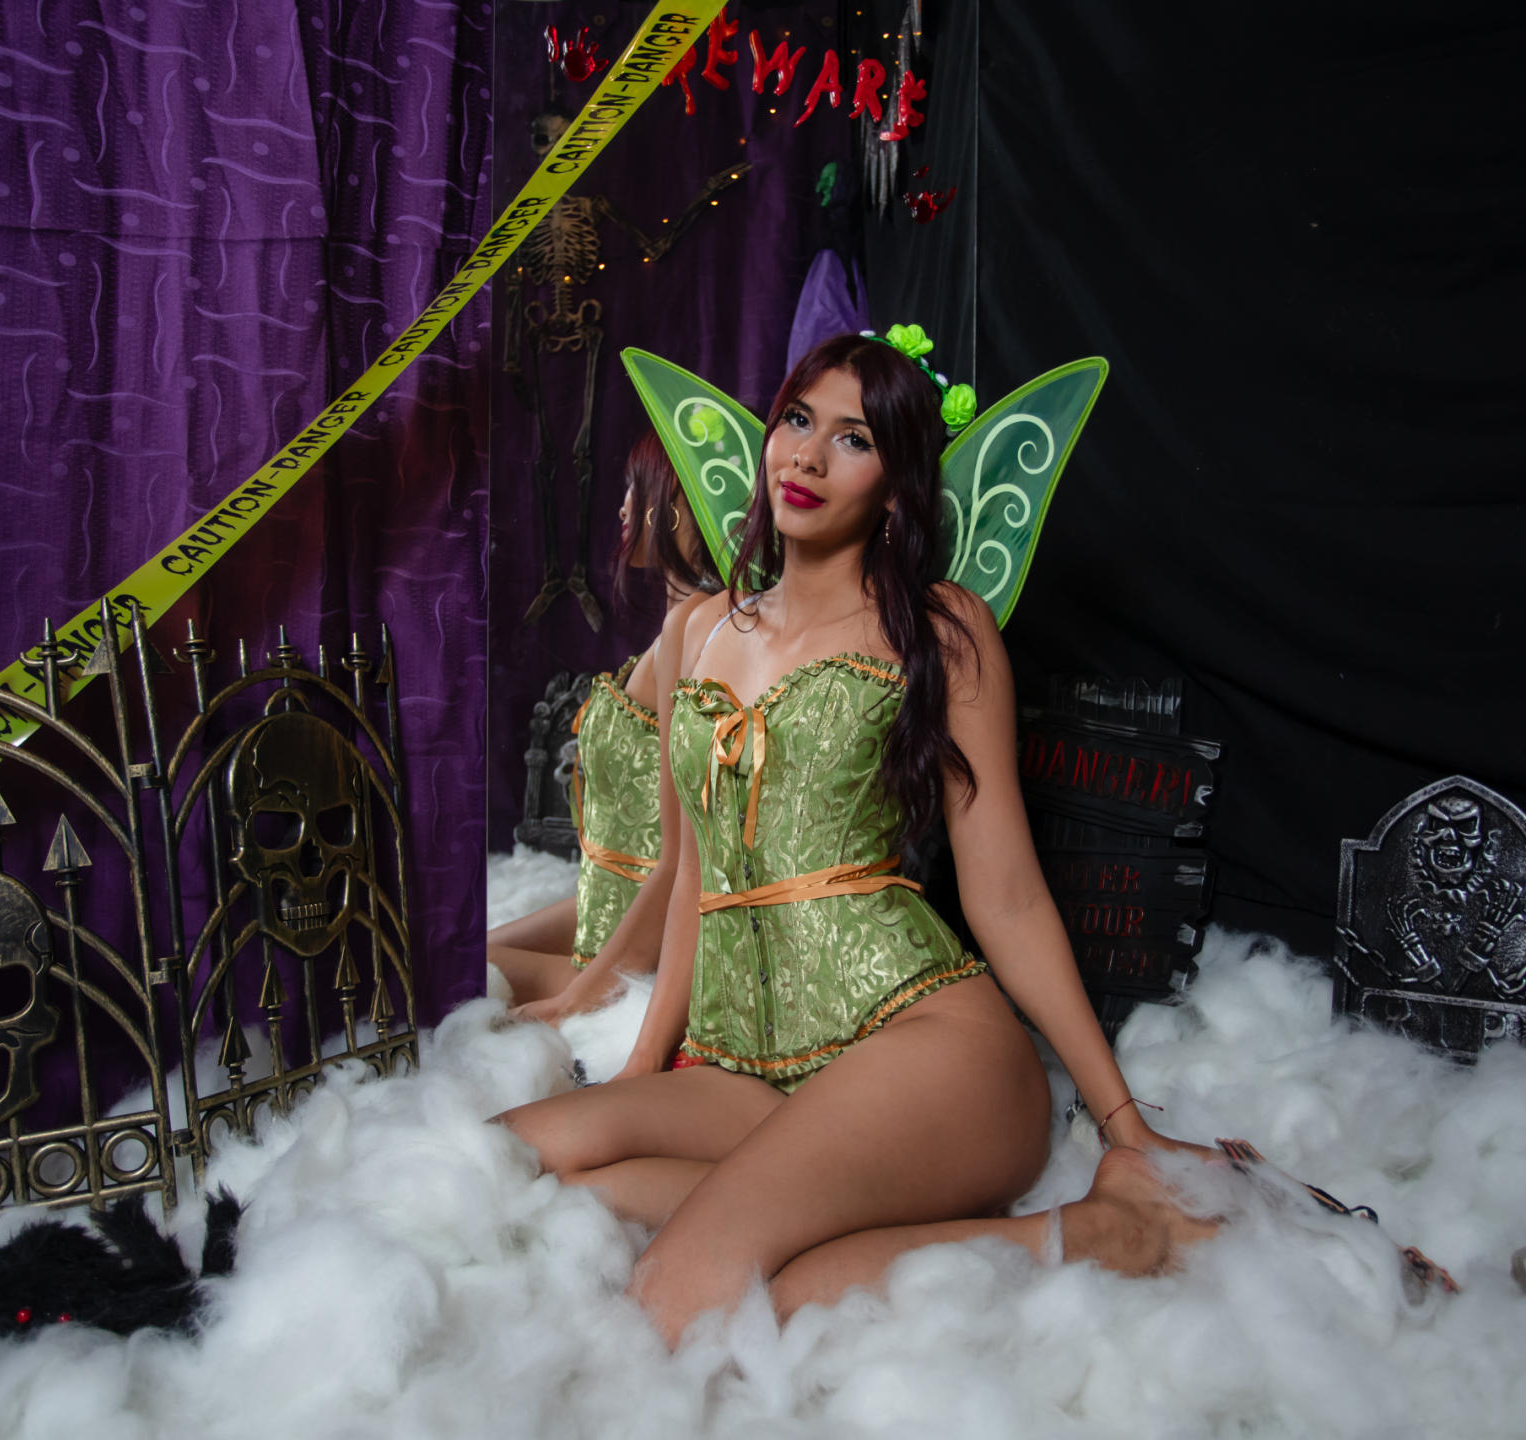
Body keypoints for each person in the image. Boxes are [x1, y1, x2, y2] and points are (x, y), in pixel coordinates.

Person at [500, 332, 1254, 1345]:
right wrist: (641, 1069)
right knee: (517, 1164)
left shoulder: (941, 630)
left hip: (925, 1052)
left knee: (686, 1298)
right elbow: (691, 881)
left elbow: (1009, 896)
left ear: (897, 490)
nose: (808, 456)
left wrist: (1124, 1123)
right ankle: (830, 1210)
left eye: (853, 439)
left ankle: (1111, 1229)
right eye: (797, 420)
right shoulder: (701, 631)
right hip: (746, 1071)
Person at [490, 431, 719, 1017]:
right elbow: (623, 861)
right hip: (608, 909)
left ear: (677, 502)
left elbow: (679, 860)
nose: (622, 508)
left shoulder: (692, 627)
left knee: (450, 975)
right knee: (464, 956)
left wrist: (576, 999)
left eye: (635, 489)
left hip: (641, 941)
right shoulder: (681, 622)